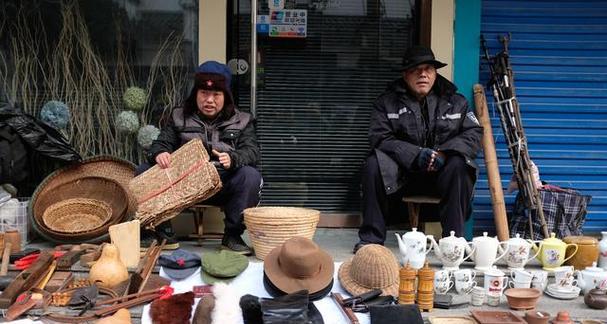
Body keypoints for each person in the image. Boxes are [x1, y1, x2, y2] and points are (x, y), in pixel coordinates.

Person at [354, 45, 483, 253]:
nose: (423, 74)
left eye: (428, 69)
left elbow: (474, 134)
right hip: (400, 179)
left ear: (435, 73)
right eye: (416, 69)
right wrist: (414, 155)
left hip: (442, 178)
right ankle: (371, 240)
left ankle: (453, 243)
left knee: (459, 164)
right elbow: (379, 138)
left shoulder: (456, 101)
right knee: (372, 164)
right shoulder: (386, 102)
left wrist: (444, 153)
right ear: (405, 75)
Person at [139, 61, 262, 255]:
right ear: (196, 94)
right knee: (143, 170)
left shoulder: (242, 120)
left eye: (216, 94)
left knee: (251, 175)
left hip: (223, 184)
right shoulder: (179, 116)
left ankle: (232, 235)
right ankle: (163, 231)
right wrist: (160, 153)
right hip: (184, 186)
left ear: (226, 96)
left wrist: (233, 158)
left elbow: (252, 151)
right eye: (204, 93)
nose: (209, 100)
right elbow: (161, 143)